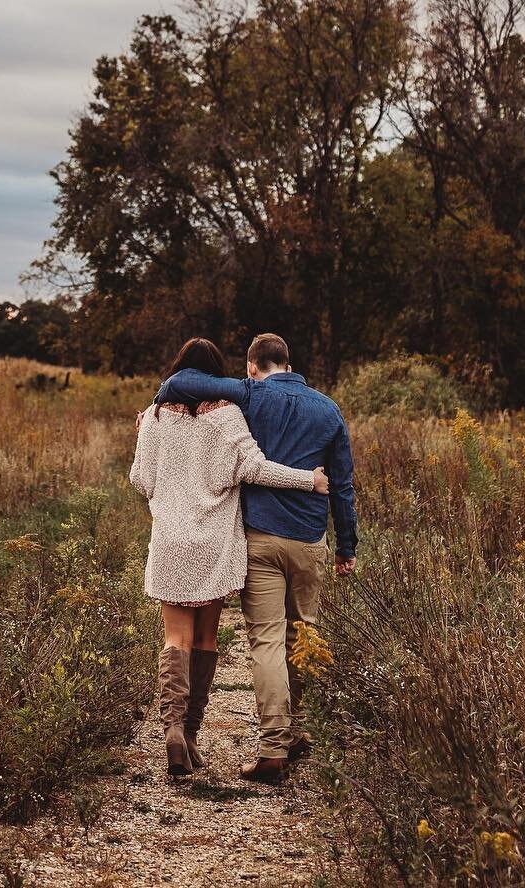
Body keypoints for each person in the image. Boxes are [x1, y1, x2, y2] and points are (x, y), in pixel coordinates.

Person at [154, 331, 356, 784]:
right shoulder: (328, 409)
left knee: (265, 641)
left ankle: (270, 749)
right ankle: (295, 730)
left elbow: (181, 385)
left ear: (250, 366)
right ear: (289, 362)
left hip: (259, 539)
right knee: (302, 635)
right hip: (308, 539)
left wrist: (161, 394)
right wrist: (347, 546)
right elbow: (341, 484)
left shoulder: (247, 395)